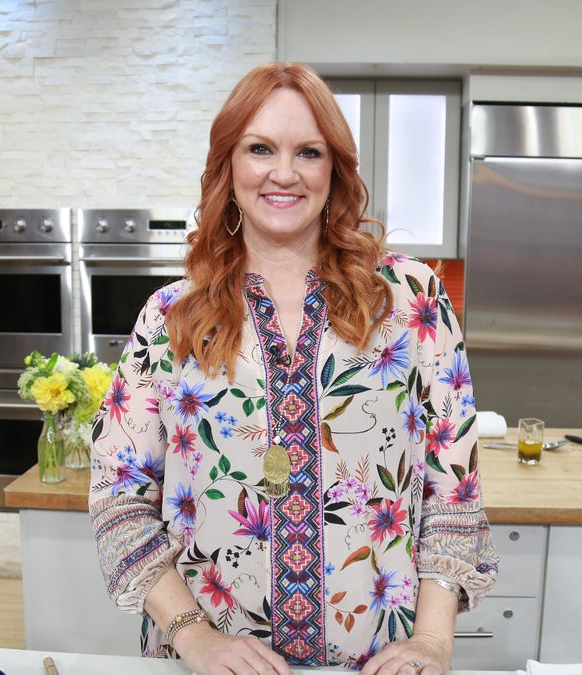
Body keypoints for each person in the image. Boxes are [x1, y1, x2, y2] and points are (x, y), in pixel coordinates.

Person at [89, 61, 498, 675]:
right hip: (205, 664)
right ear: (228, 165)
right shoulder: (172, 318)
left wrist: (433, 642)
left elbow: (454, 493)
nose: (284, 173)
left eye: (308, 152)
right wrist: (195, 637)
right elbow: (119, 499)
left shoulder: (408, 299)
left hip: (376, 664)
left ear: (334, 170)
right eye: (260, 149)